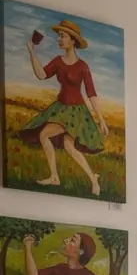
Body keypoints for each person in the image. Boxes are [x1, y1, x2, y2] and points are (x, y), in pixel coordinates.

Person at [19, 19, 108, 197]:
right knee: (61, 142)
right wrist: (31, 52)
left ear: (73, 40)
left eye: (62, 36)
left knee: (59, 141)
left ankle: (83, 179)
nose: (59, 39)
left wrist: (101, 120)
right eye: (59, 36)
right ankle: (72, 177)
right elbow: (41, 75)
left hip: (76, 112)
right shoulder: (58, 61)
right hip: (61, 108)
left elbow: (91, 94)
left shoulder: (83, 66)